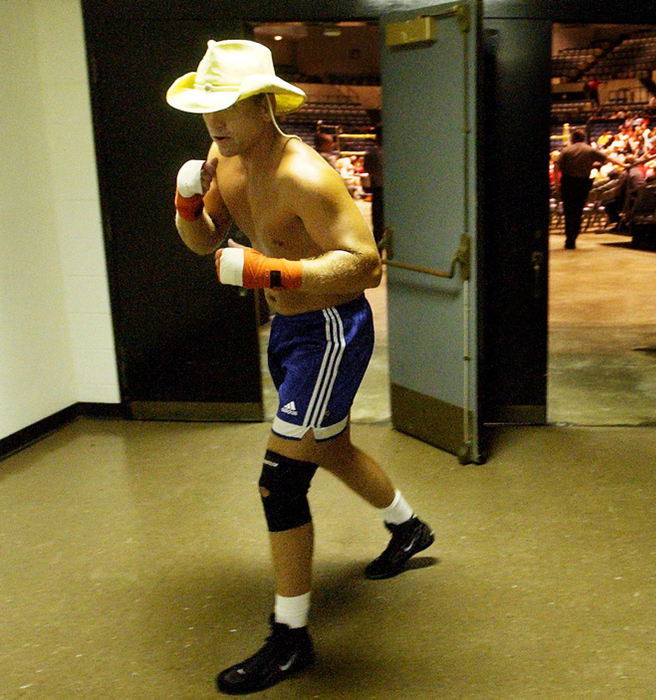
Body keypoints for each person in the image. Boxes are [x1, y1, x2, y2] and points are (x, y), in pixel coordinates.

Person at [166, 39, 434, 695]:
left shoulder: (306, 176)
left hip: (332, 330)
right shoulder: (220, 161)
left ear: (263, 103)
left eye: (228, 108)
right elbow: (204, 244)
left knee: (280, 483)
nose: (215, 123)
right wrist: (186, 205)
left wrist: (266, 269)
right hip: (289, 329)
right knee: (331, 446)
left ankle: (291, 638)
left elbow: (366, 265)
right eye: (208, 109)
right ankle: (409, 528)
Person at [554, 129, 624, 249]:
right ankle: (574, 236)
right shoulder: (590, 150)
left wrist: (557, 184)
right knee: (578, 211)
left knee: (568, 211)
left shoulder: (566, 150)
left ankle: (569, 238)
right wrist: (623, 165)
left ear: (572, 138)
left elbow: (556, 165)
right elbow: (607, 158)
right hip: (582, 183)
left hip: (568, 182)